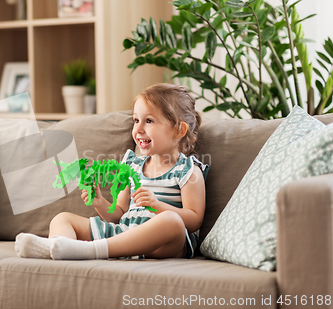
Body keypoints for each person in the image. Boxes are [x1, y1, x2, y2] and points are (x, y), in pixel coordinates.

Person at [15, 83, 208, 260]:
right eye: (136, 120)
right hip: (124, 233)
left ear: (179, 130)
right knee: (62, 218)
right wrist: (100, 203)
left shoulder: (188, 171)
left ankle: (90, 250)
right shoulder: (133, 165)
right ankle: (57, 248)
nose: (138, 129)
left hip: (162, 244)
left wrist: (157, 206)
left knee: (171, 221)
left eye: (149, 121)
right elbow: (119, 214)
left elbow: (194, 220)